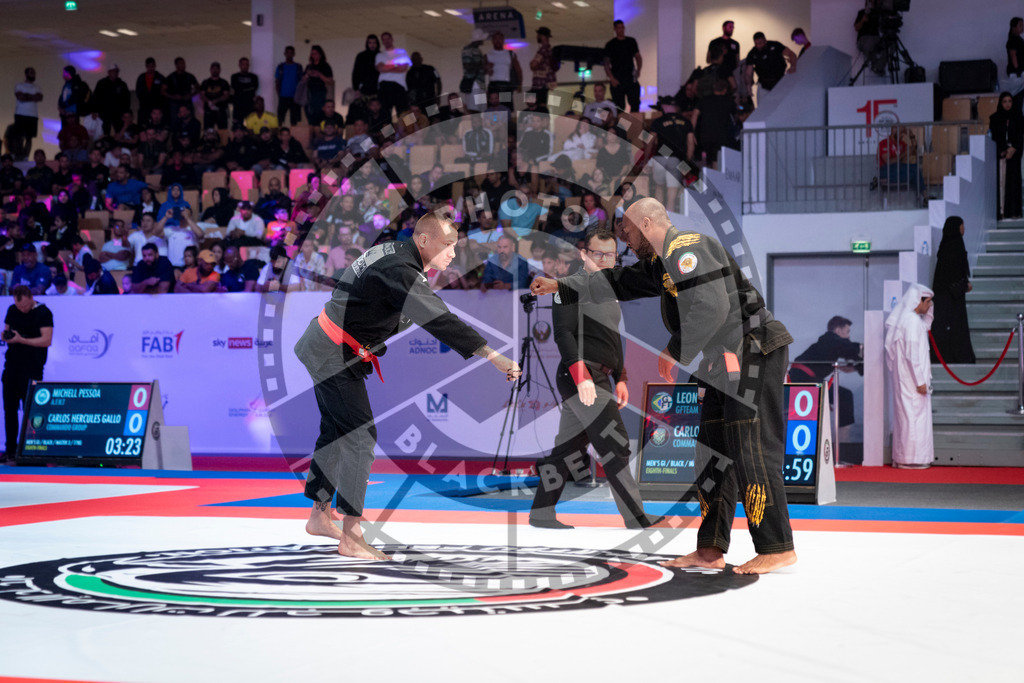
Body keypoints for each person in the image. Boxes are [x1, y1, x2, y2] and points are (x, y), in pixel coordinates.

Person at [530, 198, 798, 575]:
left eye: (626, 228)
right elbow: (615, 282)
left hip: (752, 349)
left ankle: (776, 546)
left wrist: (675, 351)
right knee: (711, 454)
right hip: (721, 358)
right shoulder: (660, 264)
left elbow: (711, 306)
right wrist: (562, 285)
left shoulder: (687, 248)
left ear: (646, 222)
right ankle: (710, 549)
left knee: (751, 448)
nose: (623, 235)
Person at [294, 213, 521, 559]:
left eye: (455, 248)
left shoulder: (395, 254)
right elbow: (437, 317)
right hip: (332, 350)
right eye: (447, 246)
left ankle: (320, 516)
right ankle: (351, 535)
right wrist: (491, 355)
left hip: (332, 346)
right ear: (424, 241)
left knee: (337, 431)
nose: (452, 255)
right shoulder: (401, 269)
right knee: (359, 436)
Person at [530, 228, 663, 529]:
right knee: (615, 446)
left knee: (566, 450)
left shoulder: (610, 291)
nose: (605, 260)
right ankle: (636, 517)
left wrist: (621, 378)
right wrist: (582, 376)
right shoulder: (566, 286)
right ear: (583, 254)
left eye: (611, 255)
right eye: (598, 254)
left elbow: (613, 338)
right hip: (580, 376)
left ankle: (541, 512)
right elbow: (562, 334)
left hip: (599, 376)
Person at [788, 316, 864, 441]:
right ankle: (843, 443)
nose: (849, 336)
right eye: (848, 331)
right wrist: (864, 350)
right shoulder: (831, 339)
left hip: (802, 379)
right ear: (838, 331)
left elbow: (845, 351)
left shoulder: (827, 343)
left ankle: (839, 442)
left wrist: (856, 368)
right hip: (805, 380)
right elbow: (850, 348)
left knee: (841, 395)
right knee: (845, 396)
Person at [884, 283, 935, 469]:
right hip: (913, 381)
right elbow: (912, 355)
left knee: (907, 418)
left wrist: (929, 306)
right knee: (914, 420)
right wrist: (920, 382)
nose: (929, 306)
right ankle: (912, 459)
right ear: (917, 300)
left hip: (907, 380)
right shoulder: (912, 321)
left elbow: (927, 324)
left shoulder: (910, 319)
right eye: (928, 302)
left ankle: (905, 457)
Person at [2, 286, 52, 462]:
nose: (21, 309)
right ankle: (10, 451)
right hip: (12, 367)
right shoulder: (12, 310)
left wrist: (21, 339)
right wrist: (7, 336)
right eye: (18, 306)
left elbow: (47, 340)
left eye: (24, 306)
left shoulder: (43, 312)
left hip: (32, 368)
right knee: (9, 410)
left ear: (31, 298)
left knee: (32, 412)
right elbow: (6, 331)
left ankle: (32, 451)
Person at [930, 217, 976, 365]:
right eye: (962, 225)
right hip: (952, 299)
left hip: (944, 297)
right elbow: (954, 274)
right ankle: (959, 356)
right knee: (956, 329)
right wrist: (965, 285)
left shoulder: (945, 247)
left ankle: (945, 357)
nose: (964, 228)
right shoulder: (955, 246)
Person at [990, 91, 1023, 220]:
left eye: (1010, 101)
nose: (1007, 104)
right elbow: (995, 137)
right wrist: (1003, 149)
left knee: (1014, 181)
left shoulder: (1018, 116)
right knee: (1001, 182)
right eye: (1004, 101)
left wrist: (1014, 148)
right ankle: (1001, 211)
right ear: (1001, 103)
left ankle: (1014, 211)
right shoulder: (995, 118)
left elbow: (1020, 135)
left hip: (1014, 153)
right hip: (1001, 153)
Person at [603, 20, 642, 112]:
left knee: (635, 103)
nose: (621, 30)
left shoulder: (631, 41)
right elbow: (606, 63)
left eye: (622, 27)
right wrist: (611, 78)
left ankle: (634, 124)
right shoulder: (610, 44)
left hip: (630, 77)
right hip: (617, 78)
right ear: (615, 29)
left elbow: (638, 57)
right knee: (619, 106)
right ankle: (620, 126)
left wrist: (638, 70)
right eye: (619, 28)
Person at [375, 32, 411, 118]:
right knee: (385, 114)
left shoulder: (402, 52)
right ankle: (388, 132)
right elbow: (381, 69)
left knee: (404, 113)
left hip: (399, 86)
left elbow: (403, 68)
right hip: (385, 86)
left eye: (388, 39)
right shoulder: (380, 55)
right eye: (384, 39)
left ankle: (409, 131)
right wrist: (396, 65)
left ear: (392, 39)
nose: (386, 41)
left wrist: (387, 66)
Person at [13, 67, 43, 159]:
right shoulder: (19, 85)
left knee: (29, 138)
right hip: (20, 114)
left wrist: (26, 96)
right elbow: (20, 97)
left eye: (34, 73)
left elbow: (39, 97)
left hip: (33, 115)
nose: (33, 74)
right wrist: (32, 97)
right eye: (31, 73)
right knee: (19, 137)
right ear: (26, 74)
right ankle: (18, 155)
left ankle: (26, 157)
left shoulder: (37, 87)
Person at [93, 65, 132, 134]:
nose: (115, 73)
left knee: (120, 132)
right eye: (113, 71)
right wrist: (94, 111)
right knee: (105, 132)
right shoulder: (102, 83)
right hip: (104, 113)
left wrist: (126, 112)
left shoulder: (122, 84)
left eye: (116, 71)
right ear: (109, 72)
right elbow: (96, 98)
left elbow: (127, 99)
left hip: (118, 114)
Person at [162, 57, 199, 126]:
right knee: (175, 124)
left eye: (184, 63)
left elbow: (198, 88)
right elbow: (162, 91)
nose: (183, 65)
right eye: (181, 63)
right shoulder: (170, 77)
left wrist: (190, 95)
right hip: (175, 105)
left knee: (191, 123)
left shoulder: (189, 76)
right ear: (176, 65)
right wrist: (173, 97)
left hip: (187, 103)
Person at [485, 32, 521, 97]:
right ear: (492, 41)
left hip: (506, 84)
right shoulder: (488, 55)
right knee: (493, 105)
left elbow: (518, 70)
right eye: (495, 39)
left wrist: (519, 84)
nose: (498, 41)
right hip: (493, 84)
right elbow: (483, 71)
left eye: (500, 38)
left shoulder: (510, 54)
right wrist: (487, 69)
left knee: (505, 105)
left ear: (503, 40)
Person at [854, 0, 885, 77]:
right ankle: (876, 66)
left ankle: (878, 66)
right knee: (869, 43)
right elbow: (856, 28)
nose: (873, 3)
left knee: (890, 44)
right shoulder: (862, 12)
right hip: (864, 39)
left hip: (876, 39)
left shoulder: (879, 14)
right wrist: (862, 20)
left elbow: (882, 29)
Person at [275, 46, 304, 126]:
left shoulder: (298, 67)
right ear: (285, 54)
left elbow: (302, 82)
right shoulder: (280, 67)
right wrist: (279, 94)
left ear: (294, 54)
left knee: (294, 121)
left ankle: (294, 135)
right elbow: (277, 82)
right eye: (288, 53)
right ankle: (280, 135)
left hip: (295, 97)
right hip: (283, 96)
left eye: (291, 53)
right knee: (280, 119)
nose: (289, 55)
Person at [199, 62, 231, 131]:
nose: (215, 70)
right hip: (209, 111)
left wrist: (216, 101)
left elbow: (226, 95)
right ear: (210, 70)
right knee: (208, 131)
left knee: (223, 131)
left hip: (221, 111)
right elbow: (202, 95)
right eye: (213, 69)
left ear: (219, 70)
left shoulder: (224, 82)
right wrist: (209, 102)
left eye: (217, 69)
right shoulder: (205, 82)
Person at [529, 27, 559, 103]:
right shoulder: (550, 50)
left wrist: (532, 64)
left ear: (541, 36)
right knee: (542, 105)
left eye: (538, 35)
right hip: (546, 83)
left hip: (540, 83)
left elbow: (533, 65)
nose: (537, 37)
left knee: (534, 103)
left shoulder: (543, 50)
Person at [460, 30, 489, 107]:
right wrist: (483, 66)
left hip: (480, 84)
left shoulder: (478, 50)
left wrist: (486, 68)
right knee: (474, 107)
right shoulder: (467, 50)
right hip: (474, 84)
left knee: (481, 107)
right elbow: (467, 67)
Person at [135, 57, 167, 125]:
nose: (150, 68)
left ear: (155, 66)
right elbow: (138, 92)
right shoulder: (141, 78)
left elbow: (164, 92)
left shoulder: (160, 77)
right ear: (146, 66)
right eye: (149, 66)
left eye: (152, 66)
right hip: (144, 106)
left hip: (157, 107)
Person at [230, 57, 259, 125]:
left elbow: (254, 87)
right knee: (237, 126)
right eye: (243, 64)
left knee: (250, 125)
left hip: (250, 105)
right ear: (239, 65)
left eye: (247, 64)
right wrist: (247, 89)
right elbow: (236, 88)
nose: (245, 66)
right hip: (238, 105)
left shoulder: (253, 77)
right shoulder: (234, 76)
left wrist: (242, 89)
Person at [352, 35, 381, 100]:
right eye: (370, 43)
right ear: (367, 44)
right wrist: (356, 88)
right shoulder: (361, 56)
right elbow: (356, 73)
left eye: (374, 43)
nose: (372, 45)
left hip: (378, 89)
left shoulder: (381, 56)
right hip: (364, 88)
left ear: (377, 44)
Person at [1005, 18, 1024, 107]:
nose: (1022, 27)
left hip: (1019, 72)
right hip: (1016, 73)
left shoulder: (1019, 39)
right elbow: (1013, 55)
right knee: (1017, 97)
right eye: (1020, 25)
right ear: (1014, 27)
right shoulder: (1013, 40)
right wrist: (1018, 70)